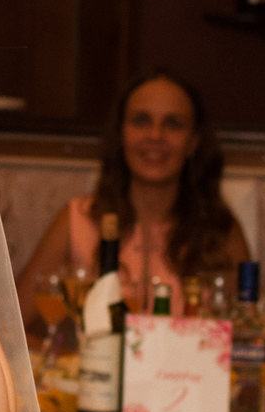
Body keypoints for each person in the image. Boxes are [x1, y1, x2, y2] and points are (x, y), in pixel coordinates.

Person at [14, 70, 248, 321]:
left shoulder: (221, 231)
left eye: (173, 124)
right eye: (141, 121)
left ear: (193, 142)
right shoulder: (77, 220)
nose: (155, 136)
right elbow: (9, 325)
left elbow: (246, 335)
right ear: (121, 134)